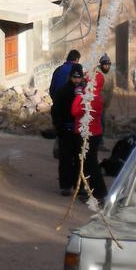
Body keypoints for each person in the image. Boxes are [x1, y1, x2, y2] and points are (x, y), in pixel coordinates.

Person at [71, 69, 107, 203]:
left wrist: (78, 96)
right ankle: (91, 190)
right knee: (89, 163)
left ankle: (98, 191)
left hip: (86, 133)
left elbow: (75, 111)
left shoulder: (88, 97)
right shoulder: (97, 96)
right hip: (94, 133)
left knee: (90, 164)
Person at [52, 63, 84, 195]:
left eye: (79, 78)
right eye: (74, 77)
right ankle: (66, 186)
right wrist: (60, 126)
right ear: (70, 77)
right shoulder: (63, 91)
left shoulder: (85, 93)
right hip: (65, 129)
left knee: (79, 159)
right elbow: (56, 111)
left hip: (80, 130)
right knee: (65, 159)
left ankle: (79, 185)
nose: (76, 80)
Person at [98, 53, 113, 140]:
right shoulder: (97, 72)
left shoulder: (110, 74)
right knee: (98, 122)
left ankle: (101, 140)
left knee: (103, 122)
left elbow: (111, 89)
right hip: (97, 102)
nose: (107, 66)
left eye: (108, 65)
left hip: (104, 103)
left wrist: (108, 102)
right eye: (105, 64)